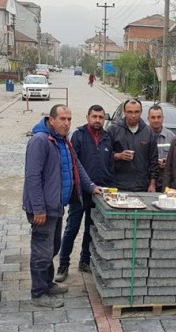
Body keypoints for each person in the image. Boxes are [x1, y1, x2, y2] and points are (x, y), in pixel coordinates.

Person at [23, 104, 102, 308]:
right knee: (42, 251)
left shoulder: (62, 141)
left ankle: (47, 284)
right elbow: (32, 178)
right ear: (51, 120)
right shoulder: (40, 141)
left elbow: (77, 166)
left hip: (57, 206)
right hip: (43, 210)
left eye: (69, 119)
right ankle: (38, 294)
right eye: (62, 119)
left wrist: (91, 187)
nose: (66, 123)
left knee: (52, 248)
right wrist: (39, 208)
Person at [55, 105, 115, 282]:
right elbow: (74, 165)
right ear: (88, 117)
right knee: (72, 228)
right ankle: (63, 265)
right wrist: (82, 186)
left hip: (99, 193)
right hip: (80, 192)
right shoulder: (79, 135)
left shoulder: (107, 137)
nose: (97, 120)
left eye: (101, 117)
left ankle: (84, 261)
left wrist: (110, 186)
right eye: (94, 116)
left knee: (91, 228)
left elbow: (110, 163)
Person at [109, 99, 159, 192]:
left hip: (142, 186)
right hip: (118, 186)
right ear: (124, 112)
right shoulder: (114, 130)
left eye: (136, 112)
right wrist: (119, 156)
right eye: (130, 112)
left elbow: (153, 161)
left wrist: (152, 184)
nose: (133, 115)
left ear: (141, 112)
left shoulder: (148, 132)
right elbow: (105, 156)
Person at [147, 104, 176, 190]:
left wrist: (168, 162)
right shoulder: (143, 135)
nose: (156, 120)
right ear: (148, 119)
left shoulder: (172, 137)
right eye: (153, 117)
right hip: (146, 181)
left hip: (165, 182)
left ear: (163, 118)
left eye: (159, 117)